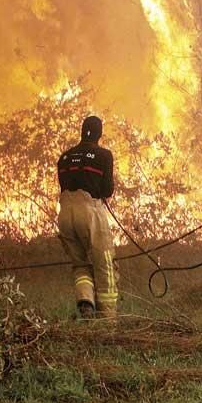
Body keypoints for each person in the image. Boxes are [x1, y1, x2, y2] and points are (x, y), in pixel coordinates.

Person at [57, 116, 117, 319]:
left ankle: (86, 301)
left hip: (65, 213)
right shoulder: (104, 155)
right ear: (100, 133)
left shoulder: (64, 157)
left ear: (82, 131)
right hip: (89, 211)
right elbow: (107, 189)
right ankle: (107, 319)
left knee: (80, 263)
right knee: (104, 263)